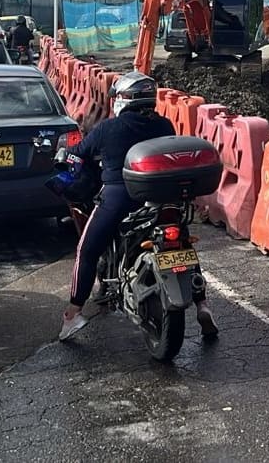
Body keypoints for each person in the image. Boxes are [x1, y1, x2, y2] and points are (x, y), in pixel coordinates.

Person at [58, 70, 219, 341]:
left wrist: (65, 155)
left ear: (123, 99)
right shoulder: (164, 125)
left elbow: (80, 153)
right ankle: (203, 304)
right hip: (164, 198)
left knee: (86, 250)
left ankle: (73, 314)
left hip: (119, 198)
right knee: (181, 245)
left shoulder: (108, 128)